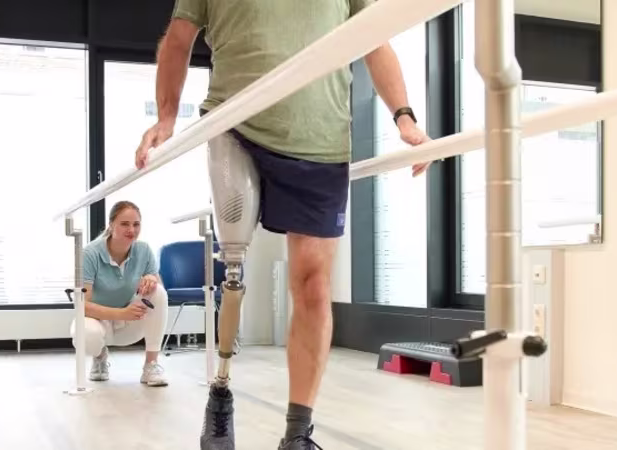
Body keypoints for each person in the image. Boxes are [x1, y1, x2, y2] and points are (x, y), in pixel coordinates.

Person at [135, 1, 432, 448]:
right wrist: (166, 116)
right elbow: (178, 39)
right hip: (236, 123)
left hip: (320, 140)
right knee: (233, 264)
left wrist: (405, 118)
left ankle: (298, 433)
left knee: (313, 285)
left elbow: (375, 39)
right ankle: (221, 391)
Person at [71, 200, 169, 387]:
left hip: (129, 324)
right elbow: (82, 305)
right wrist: (121, 313)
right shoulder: (90, 254)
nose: (131, 230)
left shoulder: (144, 250)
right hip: (100, 322)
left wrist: (151, 279)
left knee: (158, 291)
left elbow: (160, 297)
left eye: (136, 224)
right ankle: (99, 357)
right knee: (87, 335)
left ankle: (151, 365)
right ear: (111, 225)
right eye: (124, 224)